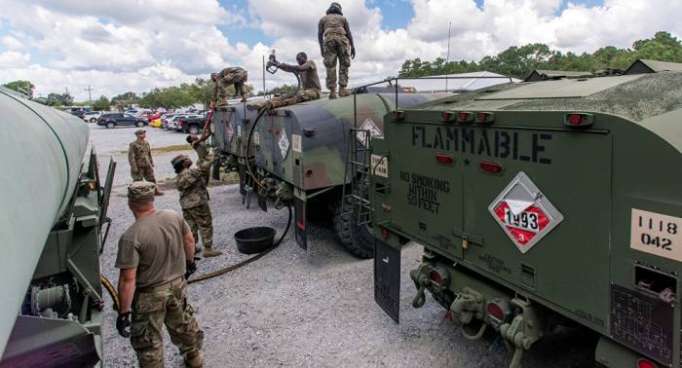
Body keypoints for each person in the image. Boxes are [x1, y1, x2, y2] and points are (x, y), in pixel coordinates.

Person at [115, 181, 204, 368]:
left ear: (131, 203)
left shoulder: (131, 236)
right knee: (183, 325)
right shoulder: (172, 216)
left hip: (150, 295)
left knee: (149, 342)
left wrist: (124, 312)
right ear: (152, 198)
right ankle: (194, 358)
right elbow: (189, 240)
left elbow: (127, 279)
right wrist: (189, 264)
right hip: (178, 285)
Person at [172, 152, 222, 258]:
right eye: (187, 158)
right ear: (183, 164)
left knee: (191, 227)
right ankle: (208, 249)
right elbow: (204, 167)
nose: (189, 159)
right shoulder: (190, 173)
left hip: (186, 205)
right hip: (197, 203)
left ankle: (192, 248)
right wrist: (212, 156)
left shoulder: (179, 176)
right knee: (205, 225)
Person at [249, 52, 321, 110]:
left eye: (299, 59)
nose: (298, 61)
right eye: (297, 60)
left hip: (315, 91)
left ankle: (272, 104)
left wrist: (283, 65)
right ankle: (263, 104)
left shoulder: (310, 63)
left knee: (298, 96)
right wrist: (277, 63)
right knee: (286, 95)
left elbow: (300, 68)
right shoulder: (300, 70)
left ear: (305, 58)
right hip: (305, 91)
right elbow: (289, 69)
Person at [318, 2, 355, 98]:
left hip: (328, 40)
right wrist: (353, 47)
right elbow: (349, 33)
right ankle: (342, 89)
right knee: (344, 64)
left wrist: (322, 48)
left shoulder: (323, 19)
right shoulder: (343, 18)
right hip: (342, 39)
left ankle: (333, 91)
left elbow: (319, 34)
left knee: (330, 65)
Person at [128, 129, 163, 195]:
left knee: (152, 178)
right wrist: (134, 167)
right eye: (141, 134)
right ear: (137, 135)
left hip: (147, 164)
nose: (143, 135)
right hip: (139, 165)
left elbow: (149, 154)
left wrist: (151, 162)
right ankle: (136, 193)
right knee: (138, 180)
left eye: (144, 134)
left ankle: (155, 191)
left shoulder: (146, 143)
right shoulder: (133, 144)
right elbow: (131, 157)